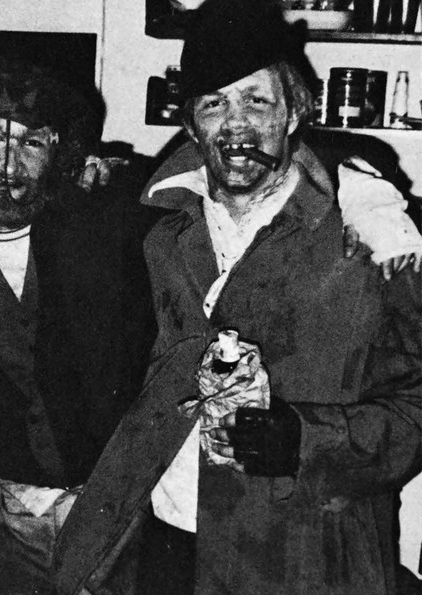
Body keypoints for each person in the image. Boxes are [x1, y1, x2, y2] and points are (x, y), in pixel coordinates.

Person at [53, 1, 422, 594]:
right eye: (213, 104)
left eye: (256, 101)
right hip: (169, 540)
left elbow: (415, 409)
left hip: (304, 557)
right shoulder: (160, 230)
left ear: (295, 111)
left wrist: (304, 440)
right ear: (191, 124)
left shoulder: (369, 240)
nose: (235, 125)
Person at [0, 38, 156, 593]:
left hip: (117, 513)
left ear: (60, 154)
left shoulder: (103, 223)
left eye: (31, 142)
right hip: (10, 514)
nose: (9, 164)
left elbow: (211, 177)